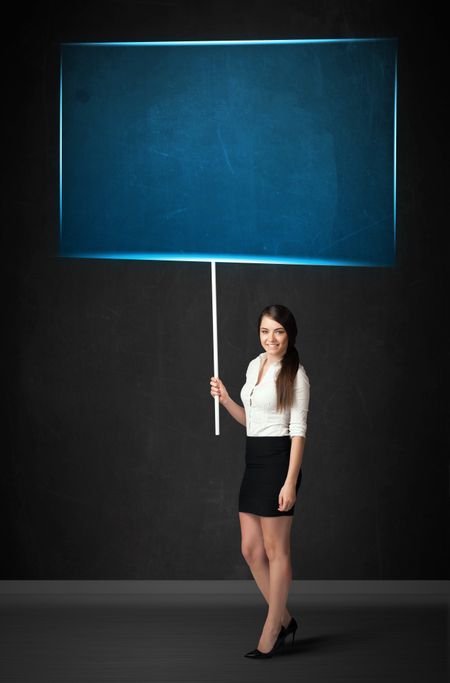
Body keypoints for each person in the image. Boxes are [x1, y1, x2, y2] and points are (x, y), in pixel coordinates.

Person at [210, 304, 310, 659]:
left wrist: (289, 481)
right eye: (266, 331)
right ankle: (285, 618)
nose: (271, 338)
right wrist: (225, 400)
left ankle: (272, 627)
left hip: (279, 464)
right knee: (251, 550)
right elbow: (251, 422)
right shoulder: (254, 365)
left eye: (279, 332)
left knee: (275, 551)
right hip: (253, 461)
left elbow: (297, 433)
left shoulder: (296, 376)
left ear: (289, 335)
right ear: (259, 333)